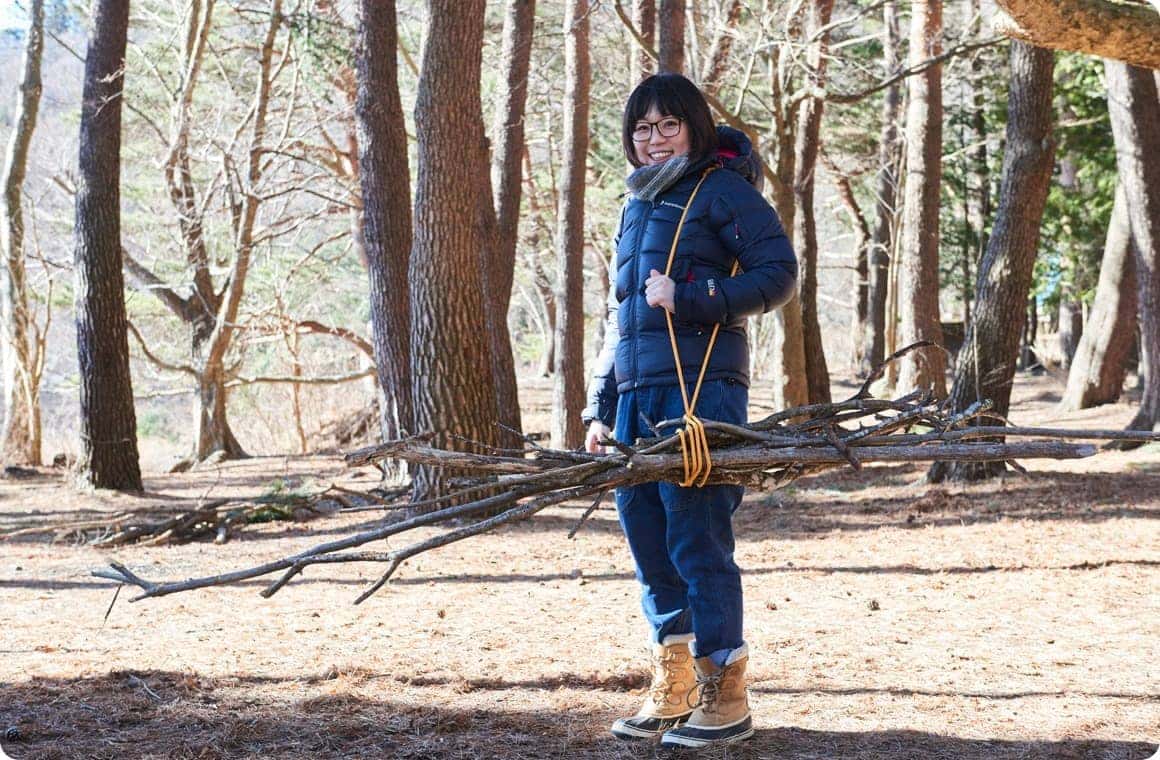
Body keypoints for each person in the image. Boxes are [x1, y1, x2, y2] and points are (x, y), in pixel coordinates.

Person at [581, 72, 798, 749]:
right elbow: (622, 320)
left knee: (697, 540)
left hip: (701, 396)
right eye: (642, 129)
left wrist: (694, 295)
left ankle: (725, 693)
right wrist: (600, 405)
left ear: (695, 127)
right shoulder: (636, 206)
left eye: (667, 125)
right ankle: (674, 687)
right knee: (649, 543)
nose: (653, 139)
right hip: (636, 402)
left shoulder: (723, 189)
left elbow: (778, 273)